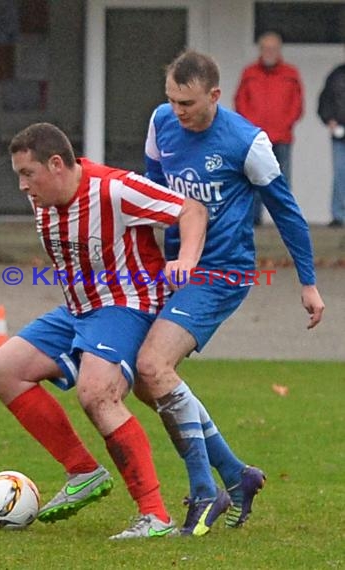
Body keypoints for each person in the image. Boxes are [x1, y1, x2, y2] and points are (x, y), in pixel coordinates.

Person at [0, 122, 207, 539]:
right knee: (2, 368)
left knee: (95, 391)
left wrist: (187, 260)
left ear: (56, 164)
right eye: (18, 175)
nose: (22, 186)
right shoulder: (44, 201)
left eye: (27, 173)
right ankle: (83, 471)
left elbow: (190, 209)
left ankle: (155, 515)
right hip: (78, 310)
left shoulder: (114, 190)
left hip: (128, 305)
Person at [136, 49, 325, 537]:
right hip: (179, 270)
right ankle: (237, 475)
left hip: (223, 273)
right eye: (173, 100)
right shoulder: (161, 123)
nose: (179, 112)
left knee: (154, 367)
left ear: (215, 96)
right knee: (144, 379)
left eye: (189, 103)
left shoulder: (247, 141)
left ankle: (204, 493)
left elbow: (286, 211)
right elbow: (153, 196)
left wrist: (307, 282)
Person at [234, 31, 304, 225]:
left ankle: (284, 221)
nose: (269, 52)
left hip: (281, 137)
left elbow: (297, 105)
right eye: (265, 48)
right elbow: (240, 102)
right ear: (260, 49)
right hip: (256, 138)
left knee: (280, 181)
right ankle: (254, 220)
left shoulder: (291, 73)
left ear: (279, 49)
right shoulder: (249, 73)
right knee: (254, 179)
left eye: (272, 48)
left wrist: (283, 124)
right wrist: (251, 126)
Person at [317, 60, 345, 227]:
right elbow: (324, 101)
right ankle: (339, 214)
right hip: (340, 132)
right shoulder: (336, 75)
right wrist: (329, 119)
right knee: (340, 172)